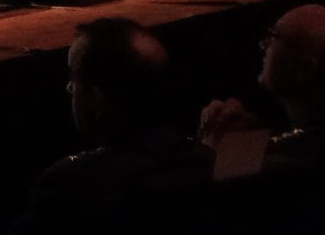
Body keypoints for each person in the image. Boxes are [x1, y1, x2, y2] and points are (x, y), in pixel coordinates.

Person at [13, 17, 208, 231]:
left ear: (97, 99)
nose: (70, 89)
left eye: (75, 80)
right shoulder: (206, 161)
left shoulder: (67, 189)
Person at [197, 3, 325, 169]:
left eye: (273, 38)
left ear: (304, 68)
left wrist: (218, 150)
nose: (264, 46)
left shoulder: (282, 164)